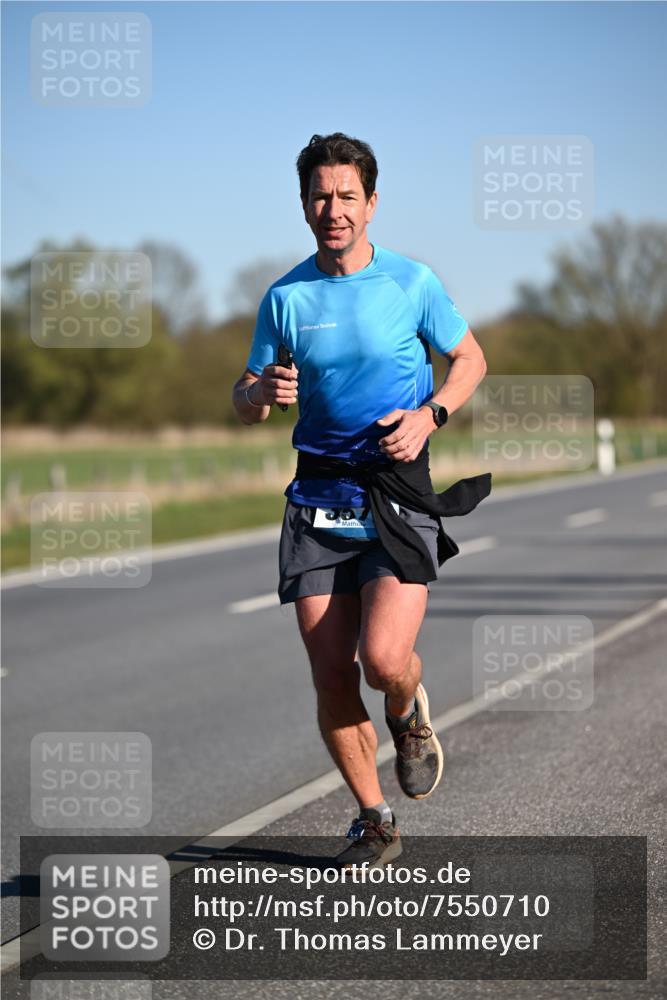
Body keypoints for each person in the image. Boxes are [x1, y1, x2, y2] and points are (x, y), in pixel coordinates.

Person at [232, 133, 490, 869]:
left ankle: (408, 711)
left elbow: (470, 359)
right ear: (303, 203)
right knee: (330, 673)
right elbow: (246, 397)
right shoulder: (285, 297)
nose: (332, 208)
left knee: (381, 661)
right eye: (319, 195)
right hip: (316, 496)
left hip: (392, 490)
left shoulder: (410, 283)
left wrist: (428, 415)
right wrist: (258, 392)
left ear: (370, 203)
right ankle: (373, 818)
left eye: (346, 195)